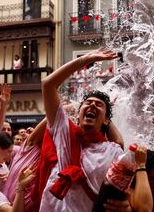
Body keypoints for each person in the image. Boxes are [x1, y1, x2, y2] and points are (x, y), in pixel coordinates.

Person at [39, 48, 127, 211]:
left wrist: (128, 206)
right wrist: (85, 59)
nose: (92, 104)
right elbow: (48, 84)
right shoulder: (64, 133)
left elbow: (125, 188)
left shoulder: (113, 150)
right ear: (77, 115)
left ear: (106, 120)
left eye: (98, 105)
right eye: (87, 103)